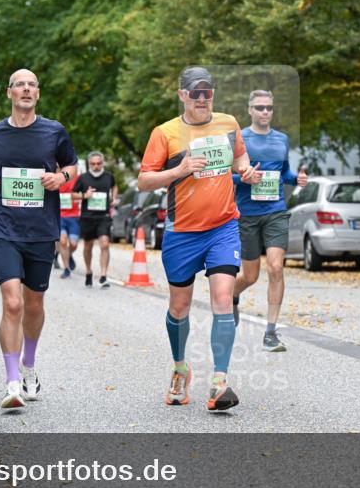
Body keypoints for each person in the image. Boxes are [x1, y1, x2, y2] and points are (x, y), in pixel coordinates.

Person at [137, 66, 260, 411]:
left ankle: (220, 382)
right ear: (182, 95)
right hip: (181, 232)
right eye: (195, 92)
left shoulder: (229, 123)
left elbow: (239, 156)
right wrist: (179, 170)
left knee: (223, 299)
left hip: (223, 227)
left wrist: (246, 170)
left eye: (207, 92)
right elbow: (144, 181)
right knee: (179, 307)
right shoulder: (165, 133)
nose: (202, 98)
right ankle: (180, 369)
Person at [0, 68, 78, 409]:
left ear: (38, 93)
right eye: (20, 84)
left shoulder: (54, 131)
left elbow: (72, 166)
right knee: (12, 302)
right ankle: (11, 382)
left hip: (41, 229)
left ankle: (28, 366)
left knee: (34, 304)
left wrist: (61, 177)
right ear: (9, 93)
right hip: (3, 227)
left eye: (32, 84)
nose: (27, 89)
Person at [231, 89, 308, 351]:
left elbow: (283, 173)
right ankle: (233, 294)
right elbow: (224, 176)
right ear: (250, 110)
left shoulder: (281, 140)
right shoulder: (239, 139)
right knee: (250, 276)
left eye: (269, 108)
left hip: (275, 211)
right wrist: (243, 178)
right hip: (247, 215)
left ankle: (271, 332)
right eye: (260, 107)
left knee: (276, 268)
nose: (265, 112)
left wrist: (295, 179)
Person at [74, 152, 118, 288]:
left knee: (104, 244)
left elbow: (114, 186)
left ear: (102, 163)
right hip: (87, 217)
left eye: (98, 163)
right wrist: (84, 195)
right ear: (89, 164)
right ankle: (88, 271)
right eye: (93, 164)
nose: (96, 166)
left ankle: (103, 275)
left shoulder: (108, 177)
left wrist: (114, 198)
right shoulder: (83, 178)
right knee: (88, 246)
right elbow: (72, 195)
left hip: (103, 217)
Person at [57, 165, 81, 279]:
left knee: (73, 244)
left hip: (73, 216)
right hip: (59, 215)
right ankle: (66, 269)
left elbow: (85, 192)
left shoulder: (78, 178)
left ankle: (69, 254)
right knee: (62, 241)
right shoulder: (55, 178)